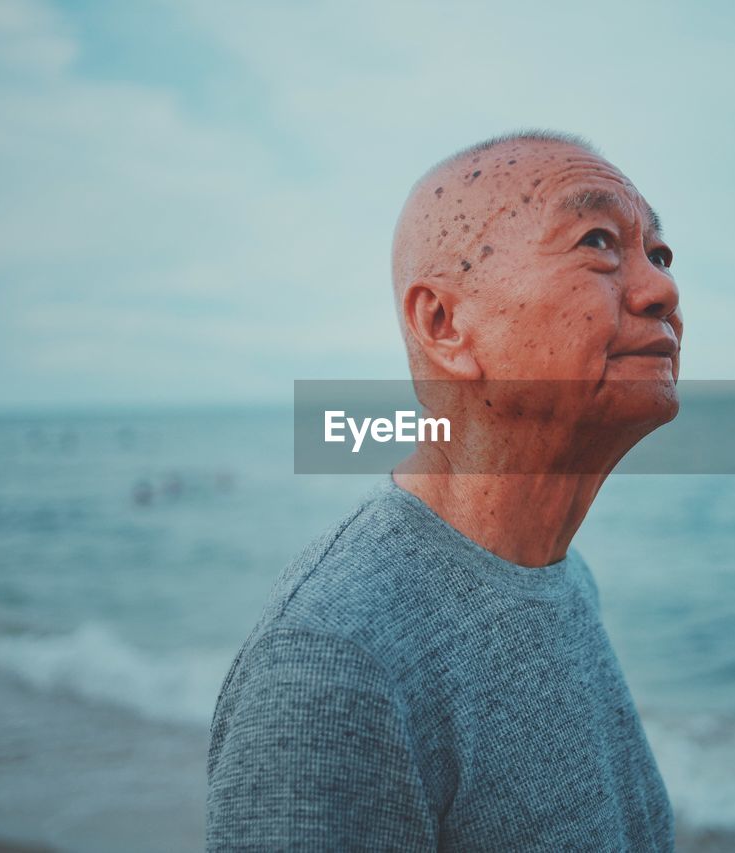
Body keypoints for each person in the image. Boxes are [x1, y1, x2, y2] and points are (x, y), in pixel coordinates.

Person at [207, 130, 682, 850]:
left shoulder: (563, 578)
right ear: (445, 324)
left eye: (658, 252)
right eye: (598, 241)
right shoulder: (332, 660)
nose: (662, 288)